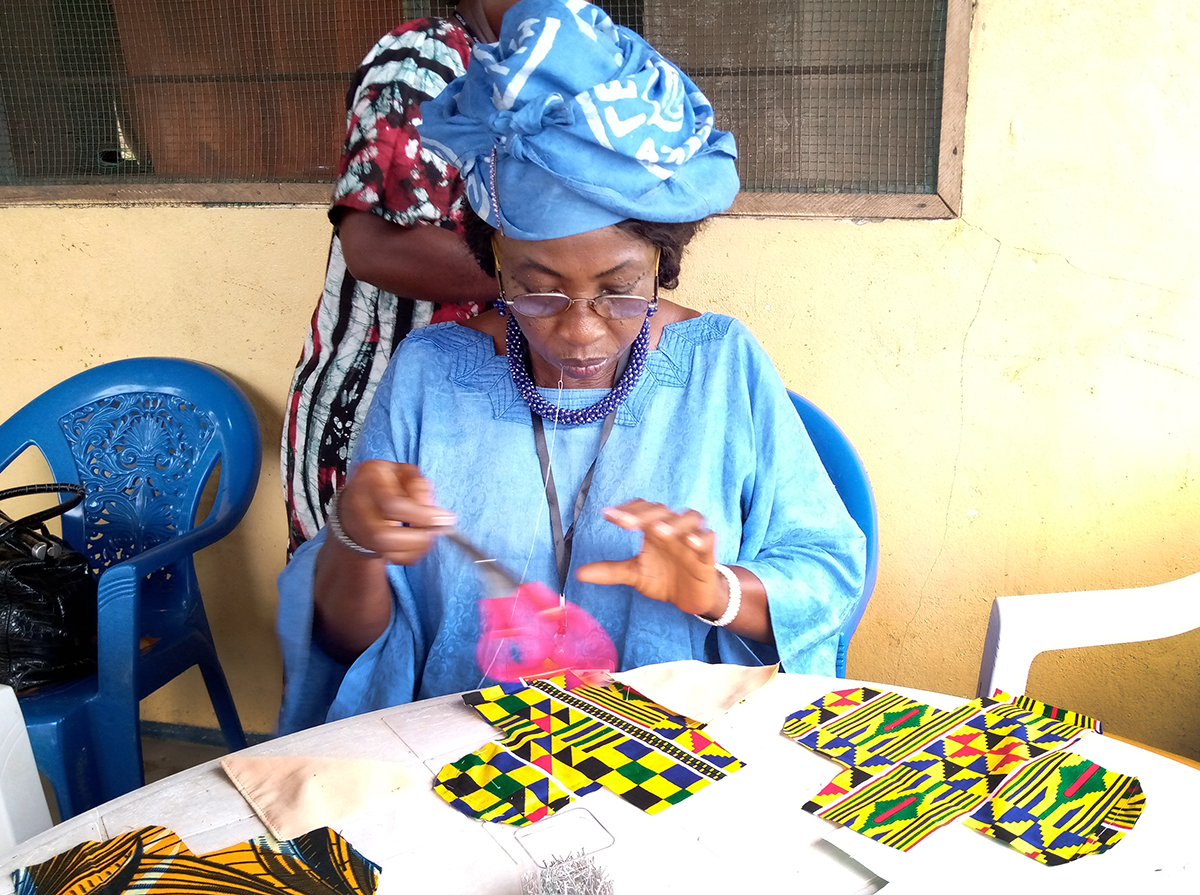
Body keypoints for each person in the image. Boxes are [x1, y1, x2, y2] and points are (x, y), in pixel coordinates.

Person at [276, 0, 866, 734]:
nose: (579, 330)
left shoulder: (721, 369)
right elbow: (346, 643)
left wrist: (718, 591)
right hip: (466, 763)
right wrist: (358, 546)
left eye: (619, 290)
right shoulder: (430, 380)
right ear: (491, 260)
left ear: (663, 259)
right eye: (535, 287)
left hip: (676, 754)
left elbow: (826, 570)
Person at [281, 0, 521, 556]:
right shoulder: (427, 58)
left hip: (467, 411)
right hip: (376, 415)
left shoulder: (527, 76)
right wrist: (544, 276)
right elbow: (374, 247)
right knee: (363, 625)